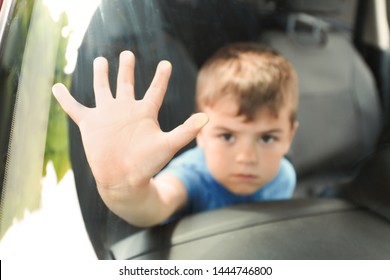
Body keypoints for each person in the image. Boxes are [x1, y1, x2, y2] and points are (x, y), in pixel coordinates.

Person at [52, 42, 299, 227]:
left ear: (289, 136)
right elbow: (156, 203)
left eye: (267, 138)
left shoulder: (284, 175)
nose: (247, 157)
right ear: (200, 133)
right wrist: (125, 190)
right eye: (227, 136)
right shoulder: (192, 176)